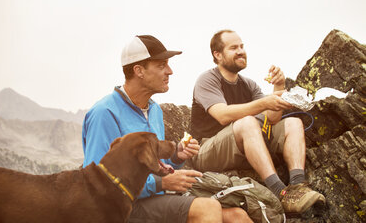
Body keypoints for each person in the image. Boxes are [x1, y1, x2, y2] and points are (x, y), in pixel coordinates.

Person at [82, 34, 253, 223]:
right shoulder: (104, 113)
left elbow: (156, 166)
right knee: (207, 208)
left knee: (237, 216)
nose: (170, 71)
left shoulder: (154, 110)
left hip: (151, 198)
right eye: (161, 65)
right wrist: (160, 183)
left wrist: (176, 156)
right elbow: (98, 181)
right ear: (139, 70)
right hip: (121, 207)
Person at [190, 29, 326, 214]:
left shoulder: (248, 84)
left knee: (293, 123)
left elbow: (271, 118)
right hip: (206, 150)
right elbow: (222, 114)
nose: (240, 51)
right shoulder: (208, 80)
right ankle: (280, 192)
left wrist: (278, 86)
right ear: (218, 55)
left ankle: (298, 186)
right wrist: (263, 102)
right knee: (247, 122)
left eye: (242, 46)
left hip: (241, 145)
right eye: (233, 48)